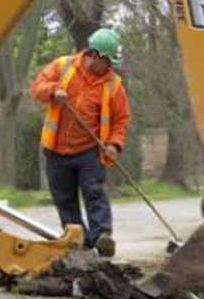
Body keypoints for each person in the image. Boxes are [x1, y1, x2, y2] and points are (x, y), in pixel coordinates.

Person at [30, 28, 130, 257]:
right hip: (56, 151)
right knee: (64, 200)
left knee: (94, 192)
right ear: (93, 56)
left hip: (89, 151)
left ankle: (102, 238)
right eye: (108, 61)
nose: (110, 67)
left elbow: (121, 119)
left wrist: (114, 144)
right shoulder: (63, 66)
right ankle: (80, 244)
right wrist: (54, 91)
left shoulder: (114, 86)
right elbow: (37, 88)